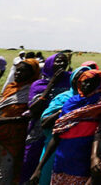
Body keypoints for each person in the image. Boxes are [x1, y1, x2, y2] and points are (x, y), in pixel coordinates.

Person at [0, 57, 40, 184]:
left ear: (32, 73)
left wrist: (3, 121)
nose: (18, 74)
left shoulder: (32, 91)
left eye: (23, 71)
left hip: (15, 141)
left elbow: (29, 116)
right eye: (17, 71)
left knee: (4, 174)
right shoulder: (10, 87)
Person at [21, 52, 71, 181]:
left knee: (50, 167)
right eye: (58, 61)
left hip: (61, 130)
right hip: (38, 130)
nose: (62, 64)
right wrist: (51, 84)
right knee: (30, 162)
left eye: (64, 61)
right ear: (49, 64)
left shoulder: (72, 81)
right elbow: (34, 109)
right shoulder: (38, 85)